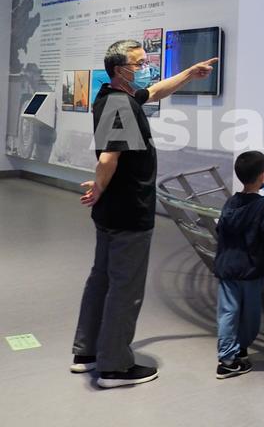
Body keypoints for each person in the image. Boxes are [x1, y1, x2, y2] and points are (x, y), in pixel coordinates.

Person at [71, 39, 217, 388]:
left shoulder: (112, 96)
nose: (146, 68)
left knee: (101, 279)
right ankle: (114, 367)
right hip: (128, 212)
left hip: (111, 211)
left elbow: (153, 92)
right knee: (125, 288)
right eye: (139, 63)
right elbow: (109, 157)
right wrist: (99, 186)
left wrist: (188, 74)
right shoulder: (120, 106)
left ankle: (86, 352)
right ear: (120, 70)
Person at [213, 151, 264, 379]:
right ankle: (240, 348)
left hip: (227, 266)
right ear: (263, 176)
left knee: (227, 312)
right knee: (250, 314)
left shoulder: (230, 202)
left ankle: (226, 358)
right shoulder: (263, 205)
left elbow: (221, 228)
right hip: (251, 269)